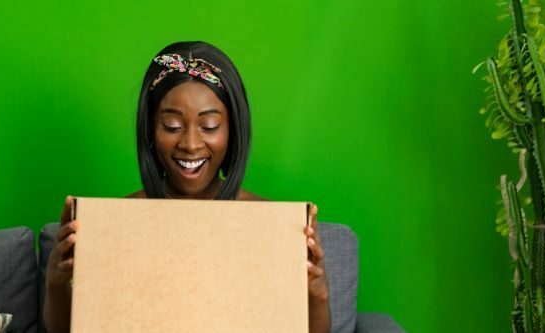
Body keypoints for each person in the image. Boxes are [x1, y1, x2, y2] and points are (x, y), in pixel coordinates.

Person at [44, 41, 331, 333]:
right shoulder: (117, 224)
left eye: (209, 126)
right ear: (151, 130)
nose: (191, 144)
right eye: (172, 125)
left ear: (233, 130)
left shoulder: (274, 226)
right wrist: (57, 282)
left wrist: (316, 292)